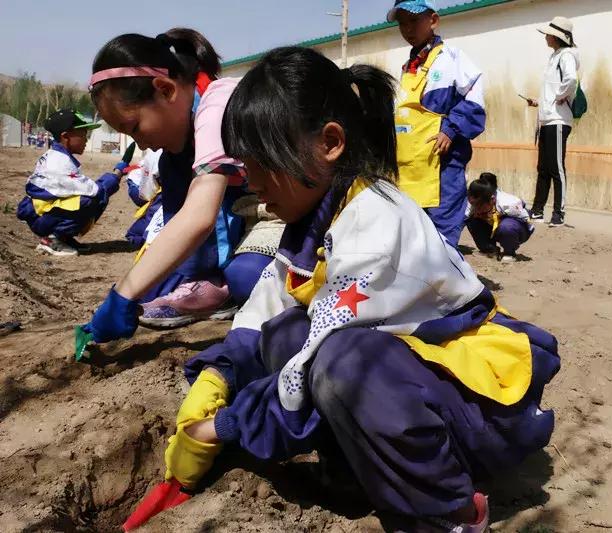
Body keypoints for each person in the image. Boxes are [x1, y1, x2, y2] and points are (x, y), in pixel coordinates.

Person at [154, 47, 560, 533]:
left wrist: (222, 427)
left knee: (344, 362)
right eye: (245, 165)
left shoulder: (375, 227)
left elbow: (314, 361)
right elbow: (269, 304)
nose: (253, 183)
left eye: (264, 163)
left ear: (329, 143)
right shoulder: (317, 213)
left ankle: (446, 510)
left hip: (482, 407)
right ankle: (354, 473)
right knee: (284, 333)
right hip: (420, 378)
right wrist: (220, 374)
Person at [82, 28, 273, 335]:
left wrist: (123, 294)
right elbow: (177, 229)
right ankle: (217, 283)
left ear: (166, 90)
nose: (140, 145)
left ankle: (228, 289)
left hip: (297, 208)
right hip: (255, 208)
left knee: (246, 276)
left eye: (134, 127)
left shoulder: (218, 105)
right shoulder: (176, 157)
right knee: (161, 283)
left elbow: (199, 218)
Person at [390, 0, 486, 248]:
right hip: (412, 169)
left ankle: (444, 282)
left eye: (413, 21)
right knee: (414, 233)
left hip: (443, 166)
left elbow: (475, 101)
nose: (407, 29)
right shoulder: (407, 67)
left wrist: (451, 129)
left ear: (433, 20)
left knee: (441, 234)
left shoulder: (452, 58)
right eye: (402, 24)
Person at [16, 109, 127, 256]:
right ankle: (52, 239)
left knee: (87, 197)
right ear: (66, 136)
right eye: (83, 134)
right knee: (89, 200)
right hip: (41, 218)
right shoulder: (59, 162)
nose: (86, 139)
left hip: (42, 213)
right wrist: (115, 176)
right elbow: (93, 190)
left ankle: (64, 237)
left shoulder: (57, 156)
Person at [526, 16, 579, 228]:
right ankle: (538, 210)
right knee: (543, 168)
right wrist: (540, 102)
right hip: (547, 120)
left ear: (556, 37)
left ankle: (559, 213)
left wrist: (559, 96)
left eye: (548, 34)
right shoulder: (554, 57)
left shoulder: (566, 55)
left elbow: (571, 80)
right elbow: (555, 89)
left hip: (558, 121)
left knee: (556, 167)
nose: (545, 37)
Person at [465, 172, 534, 262]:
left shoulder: (509, 204)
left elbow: (526, 220)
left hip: (515, 230)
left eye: (480, 206)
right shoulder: (472, 203)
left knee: (507, 226)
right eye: (473, 205)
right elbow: (459, 221)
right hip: (492, 227)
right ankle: (490, 249)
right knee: (471, 220)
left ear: (492, 200)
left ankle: (509, 252)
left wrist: (500, 218)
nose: (476, 208)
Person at [125, 148, 163, 249]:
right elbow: (147, 191)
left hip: (139, 183)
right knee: (157, 210)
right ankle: (137, 237)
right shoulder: (157, 154)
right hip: (138, 186)